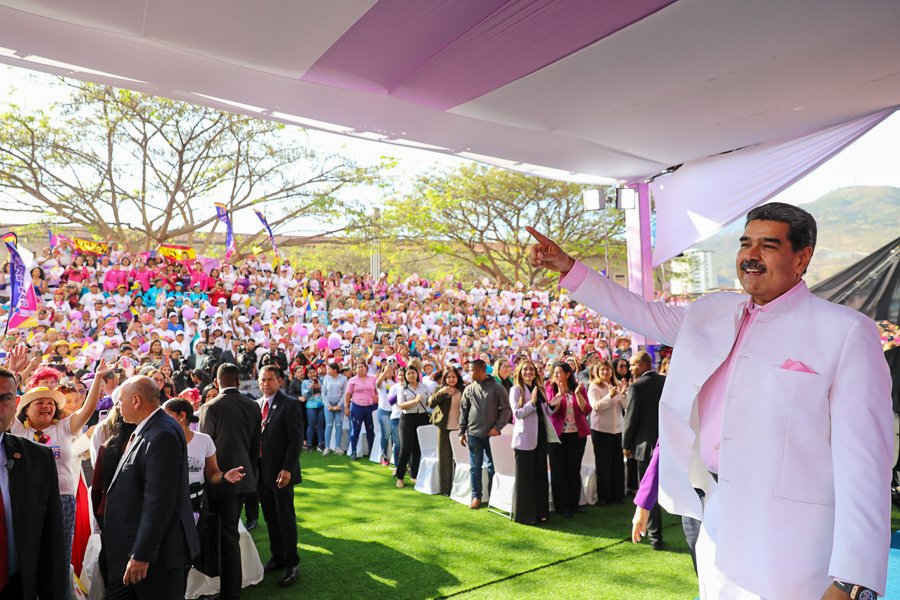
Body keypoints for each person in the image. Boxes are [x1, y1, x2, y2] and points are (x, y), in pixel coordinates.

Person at [526, 202, 892, 598]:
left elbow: (866, 463)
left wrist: (852, 580)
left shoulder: (846, 332)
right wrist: (570, 268)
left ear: (801, 257)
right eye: (745, 243)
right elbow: (642, 314)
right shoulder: (712, 311)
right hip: (715, 516)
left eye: (768, 245)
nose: (750, 255)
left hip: (797, 545)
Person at [102, 375, 199, 599]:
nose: (118, 407)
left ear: (136, 400)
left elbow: (159, 501)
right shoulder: (152, 428)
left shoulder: (161, 433)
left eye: (121, 401)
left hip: (151, 560)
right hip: (133, 552)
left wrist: (142, 554)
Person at [11, 358, 108, 570]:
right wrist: (13, 372)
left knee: (59, 558)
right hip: (28, 499)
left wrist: (99, 378)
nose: (46, 406)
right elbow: (4, 404)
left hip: (63, 499)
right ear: (26, 409)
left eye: (51, 403)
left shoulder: (64, 427)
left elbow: (87, 411)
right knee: (29, 555)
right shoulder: (19, 430)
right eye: (40, 403)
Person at [0, 366, 68, 599]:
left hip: (18, 586)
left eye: (4, 399)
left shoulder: (38, 459)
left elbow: (52, 542)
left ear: (16, 402)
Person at [198, 363, 261, 600]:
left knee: (225, 537)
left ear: (217, 382)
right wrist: (249, 473)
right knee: (229, 534)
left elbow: (206, 447)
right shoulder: (253, 405)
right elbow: (256, 447)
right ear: (238, 382)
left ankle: (229, 593)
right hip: (244, 478)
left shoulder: (210, 407)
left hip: (220, 479)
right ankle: (228, 589)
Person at [256, 365, 302, 588]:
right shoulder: (257, 405)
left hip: (282, 472)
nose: (266, 383)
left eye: (270, 379)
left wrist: (287, 469)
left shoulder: (290, 404)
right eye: (262, 379)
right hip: (262, 473)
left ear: (280, 381)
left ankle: (292, 563)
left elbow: (295, 441)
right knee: (271, 517)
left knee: (285, 517)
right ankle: (277, 556)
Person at [622, 350, 665, 549]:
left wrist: (626, 444)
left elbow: (631, 419)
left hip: (644, 446)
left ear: (642, 365)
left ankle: (655, 537)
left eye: (632, 365)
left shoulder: (637, 387)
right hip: (667, 444)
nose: (629, 369)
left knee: (647, 492)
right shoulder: (665, 382)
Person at [509, 360, 557, 525]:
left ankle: (541, 512)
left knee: (540, 476)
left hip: (541, 436)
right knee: (525, 478)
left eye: (531, 369)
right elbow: (518, 413)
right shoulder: (516, 390)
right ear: (520, 372)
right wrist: (532, 402)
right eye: (525, 369)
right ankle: (525, 515)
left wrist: (554, 402)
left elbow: (547, 412)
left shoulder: (540, 388)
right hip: (524, 439)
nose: (529, 372)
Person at [459, 359, 511, 509]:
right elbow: (464, 410)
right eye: (469, 370)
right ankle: (476, 496)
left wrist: (498, 427)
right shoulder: (469, 389)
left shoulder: (497, 388)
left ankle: (493, 495)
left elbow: (506, 409)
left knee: (492, 467)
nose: (470, 373)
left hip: (492, 435)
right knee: (474, 467)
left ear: (482, 370)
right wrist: (461, 431)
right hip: (473, 434)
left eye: (472, 370)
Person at [546, 361, 591, 518]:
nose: (557, 376)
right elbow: (551, 410)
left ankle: (574, 504)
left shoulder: (578, 388)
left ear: (567, 374)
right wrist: (558, 395)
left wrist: (578, 395)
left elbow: (586, 410)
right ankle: (562, 507)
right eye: (555, 373)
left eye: (559, 372)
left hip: (576, 435)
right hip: (557, 437)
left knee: (573, 469)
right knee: (559, 471)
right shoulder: (550, 388)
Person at [587, 361, 627, 505]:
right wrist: (609, 396)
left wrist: (622, 395)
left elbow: (626, 406)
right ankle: (604, 497)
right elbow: (596, 407)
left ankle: (618, 495)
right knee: (603, 464)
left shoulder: (617, 384)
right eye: (602, 370)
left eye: (607, 369)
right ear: (598, 372)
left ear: (611, 371)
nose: (605, 372)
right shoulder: (594, 387)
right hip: (601, 429)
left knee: (617, 463)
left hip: (617, 429)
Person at [392, 366, 430, 488]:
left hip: (422, 417)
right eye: (408, 374)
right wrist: (415, 401)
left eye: (412, 373)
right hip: (407, 419)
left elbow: (429, 400)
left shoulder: (424, 387)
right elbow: (401, 405)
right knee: (405, 448)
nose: (410, 376)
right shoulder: (403, 389)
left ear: (417, 374)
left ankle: (414, 474)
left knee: (418, 448)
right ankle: (400, 476)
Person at [427, 367, 464, 495]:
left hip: (459, 429)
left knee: (459, 458)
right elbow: (430, 404)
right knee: (445, 458)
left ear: (457, 377)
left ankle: (459, 486)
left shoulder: (463, 389)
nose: (451, 379)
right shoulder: (440, 389)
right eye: (449, 377)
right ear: (445, 379)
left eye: (454, 377)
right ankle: (446, 489)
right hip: (444, 428)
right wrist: (441, 392)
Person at [344, 362, 378, 460]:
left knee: (370, 430)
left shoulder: (373, 378)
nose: (360, 369)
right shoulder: (352, 380)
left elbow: (378, 390)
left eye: (362, 367)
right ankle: (353, 452)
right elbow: (347, 395)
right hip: (357, 407)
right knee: (355, 430)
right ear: (355, 369)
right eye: (358, 367)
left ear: (366, 368)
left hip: (371, 407)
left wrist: (377, 397)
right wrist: (346, 407)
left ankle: (371, 451)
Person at [321, 362, 347, 456]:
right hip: (329, 406)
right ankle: (327, 447)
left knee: (338, 426)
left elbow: (345, 393)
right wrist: (328, 405)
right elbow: (323, 393)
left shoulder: (343, 378)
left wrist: (339, 405)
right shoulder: (326, 378)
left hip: (339, 406)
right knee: (329, 426)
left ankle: (337, 447)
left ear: (335, 370)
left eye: (329, 369)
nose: (327, 371)